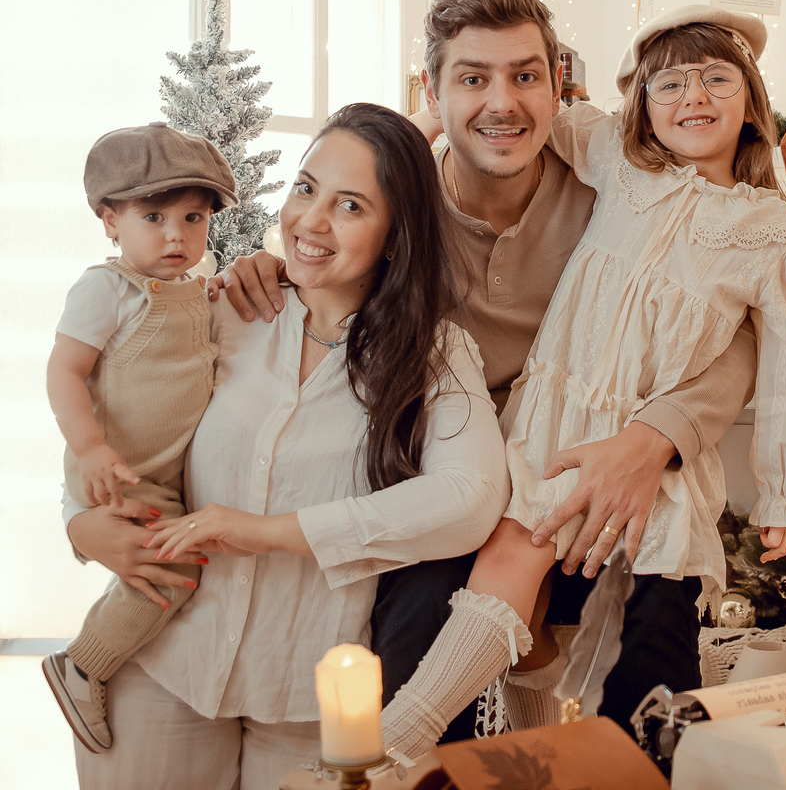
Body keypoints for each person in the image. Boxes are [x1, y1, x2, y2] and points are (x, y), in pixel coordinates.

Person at [214, 0, 762, 739]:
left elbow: (735, 331)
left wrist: (654, 439)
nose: (502, 103)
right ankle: (415, 754)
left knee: (659, 631)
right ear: (433, 95)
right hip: (451, 490)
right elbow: (319, 244)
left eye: (525, 76)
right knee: (425, 617)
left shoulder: (620, 193)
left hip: (589, 475)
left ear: (557, 87)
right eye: (472, 79)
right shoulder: (393, 212)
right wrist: (271, 265)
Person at [376, 4, 786, 764]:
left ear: (752, 101)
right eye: (671, 86)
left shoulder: (771, 230)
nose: (695, 98)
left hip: (656, 459)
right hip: (553, 425)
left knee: (651, 629)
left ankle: (622, 755)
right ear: (639, 108)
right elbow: (530, 113)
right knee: (513, 556)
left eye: (718, 80)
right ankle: (403, 738)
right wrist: (400, 143)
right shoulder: (621, 165)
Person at [65, 103, 509, 790]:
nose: (311, 221)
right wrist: (81, 520)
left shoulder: (436, 356)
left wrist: (272, 532)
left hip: (308, 699)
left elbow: (470, 500)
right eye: (306, 188)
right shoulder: (221, 312)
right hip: (160, 668)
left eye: (351, 205)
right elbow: (118, 414)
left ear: (398, 233)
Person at [44, 123, 239, 753]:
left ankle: (94, 656)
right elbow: (65, 371)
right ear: (109, 221)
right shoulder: (106, 290)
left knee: (164, 565)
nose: (176, 235)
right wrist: (90, 448)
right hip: (117, 467)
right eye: (153, 217)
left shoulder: (196, 291)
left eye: (192, 217)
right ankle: (83, 664)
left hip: (160, 468)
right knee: (173, 568)